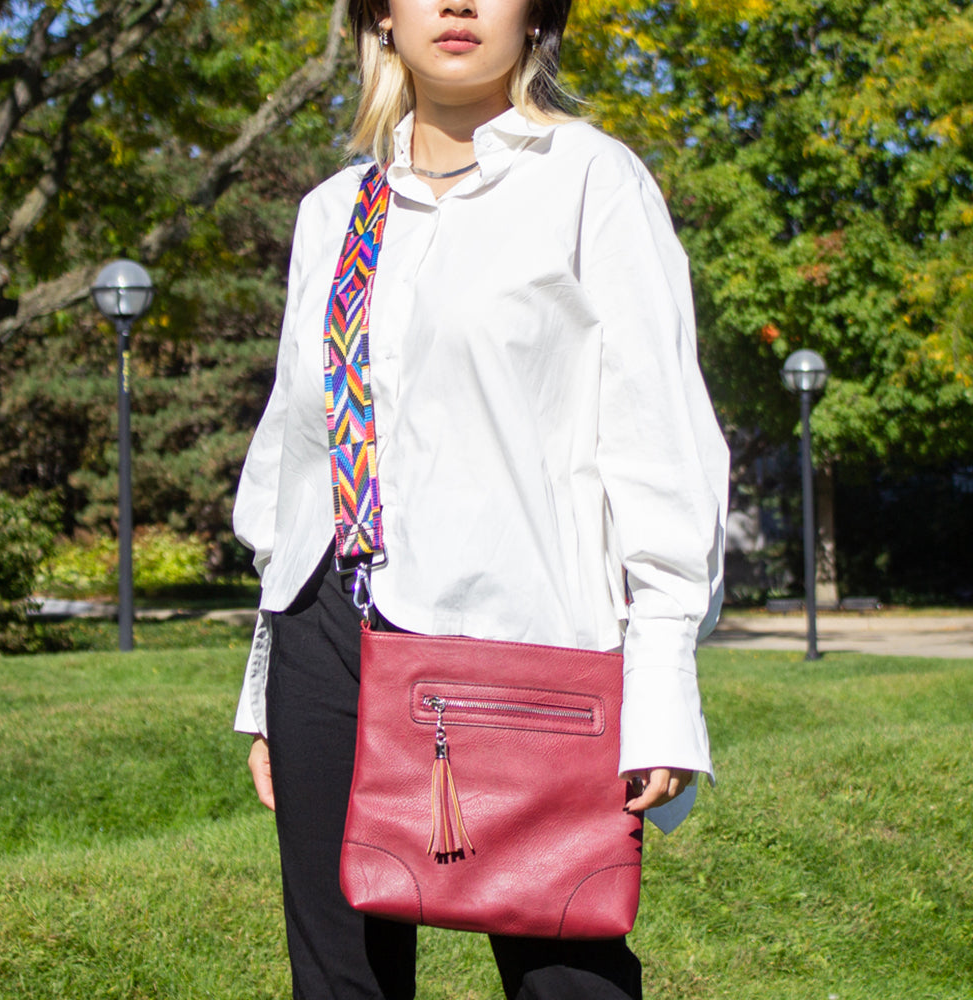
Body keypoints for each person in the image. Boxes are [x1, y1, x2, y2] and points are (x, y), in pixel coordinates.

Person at [232, 0, 729, 997]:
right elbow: (295, 451)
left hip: (522, 642)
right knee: (340, 979)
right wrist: (264, 685)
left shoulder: (589, 180)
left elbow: (659, 442)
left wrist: (662, 684)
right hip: (324, 635)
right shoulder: (335, 211)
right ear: (381, 16)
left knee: (564, 967)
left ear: (536, 16)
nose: (457, 5)